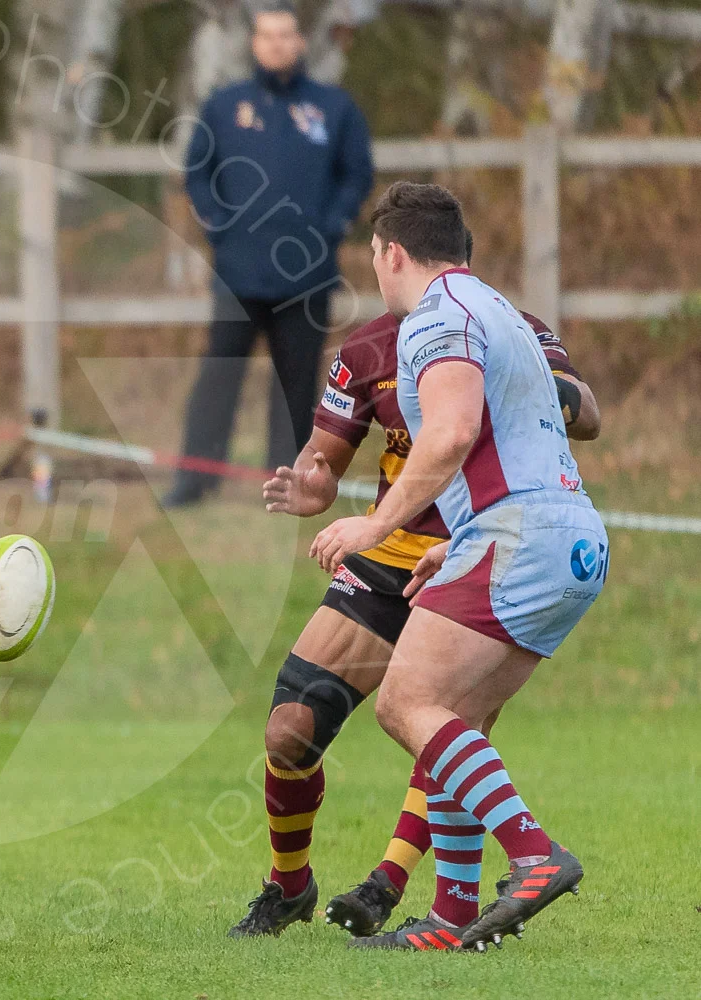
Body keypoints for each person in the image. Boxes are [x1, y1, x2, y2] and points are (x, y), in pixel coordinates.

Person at [229, 232, 600, 943]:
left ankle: (400, 882)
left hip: (480, 549)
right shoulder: (369, 350)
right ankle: (290, 886)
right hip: (390, 558)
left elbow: (587, 414)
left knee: (432, 716)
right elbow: (323, 458)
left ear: (398, 255)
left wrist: (545, 386)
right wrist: (310, 483)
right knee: (290, 731)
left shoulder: (508, 331)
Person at [167, 0, 373, 508]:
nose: (277, 44)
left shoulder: (334, 108)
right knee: (219, 377)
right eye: (267, 36)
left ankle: (287, 485)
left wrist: (331, 226)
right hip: (239, 272)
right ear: (254, 44)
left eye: (286, 35)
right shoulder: (224, 105)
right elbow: (197, 171)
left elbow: (357, 175)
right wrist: (218, 223)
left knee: (297, 384)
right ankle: (195, 480)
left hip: (306, 273)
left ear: (300, 42)